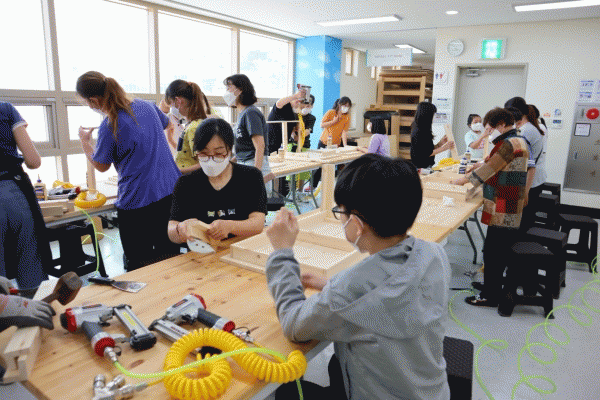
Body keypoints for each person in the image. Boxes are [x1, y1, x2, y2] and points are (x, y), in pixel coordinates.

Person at [265, 154, 451, 400]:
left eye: (339, 212)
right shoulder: (434, 254)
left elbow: (293, 324)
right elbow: (386, 292)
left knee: (287, 391)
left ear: (355, 223)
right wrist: (330, 286)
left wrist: (282, 252)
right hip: (429, 392)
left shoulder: (349, 289)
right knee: (334, 365)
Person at [76, 71, 181, 271]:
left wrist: (85, 143)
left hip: (137, 200)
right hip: (169, 192)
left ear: (93, 100)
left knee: (139, 264)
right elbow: (168, 123)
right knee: (170, 258)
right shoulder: (146, 106)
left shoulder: (111, 123)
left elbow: (102, 165)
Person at [451, 108, 535, 309]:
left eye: (490, 129)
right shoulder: (518, 140)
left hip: (504, 206)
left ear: (502, 125)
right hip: (509, 202)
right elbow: (494, 164)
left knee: (493, 252)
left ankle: (490, 295)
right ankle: (491, 285)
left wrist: (463, 180)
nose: (488, 133)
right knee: (496, 249)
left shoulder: (510, 143)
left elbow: (490, 169)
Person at [168, 118, 267, 244]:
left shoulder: (250, 176)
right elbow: (171, 230)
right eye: (203, 153)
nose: (211, 160)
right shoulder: (186, 183)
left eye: (219, 153)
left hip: (241, 248)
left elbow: (258, 223)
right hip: (201, 252)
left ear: (230, 151)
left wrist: (231, 226)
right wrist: (179, 229)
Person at [0, 101, 50, 294]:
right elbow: (33, 161)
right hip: (13, 194)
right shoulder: (6, 109)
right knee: (30, 264)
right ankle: (37, 311)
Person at [504, 97, 547, 230]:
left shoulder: (526, 131)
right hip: (533, 179)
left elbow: (519, 159)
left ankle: (522, 242)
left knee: (523, 222)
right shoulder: (529, 127)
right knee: (525, 219)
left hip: (528, 181)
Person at [165, 80, 218, 174]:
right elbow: (187, 152)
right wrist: (170, 140)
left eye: (171, 105)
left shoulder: (193, 128)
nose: (171, 110)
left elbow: (204, 164)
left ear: (178, 101)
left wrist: (176, 171)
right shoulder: (191, 125)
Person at [410, 102, 455, 169]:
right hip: (420, 167)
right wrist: (444, 147)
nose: (434, 117)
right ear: (427, 115)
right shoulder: (418, 131)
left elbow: (428, 149)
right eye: (433, 114)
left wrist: (440, 143)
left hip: (426, 166)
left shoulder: (424, 129)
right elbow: (426, 153)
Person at [267, 88, 309, 154]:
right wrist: (296, 96)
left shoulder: (293, 114)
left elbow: (291, 130)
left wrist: (296, 135)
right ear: (297, 101)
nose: (301, 107)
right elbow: (278, 103)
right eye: (301, 104)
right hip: (270, 144)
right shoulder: (284, 106)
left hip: (280, 145)